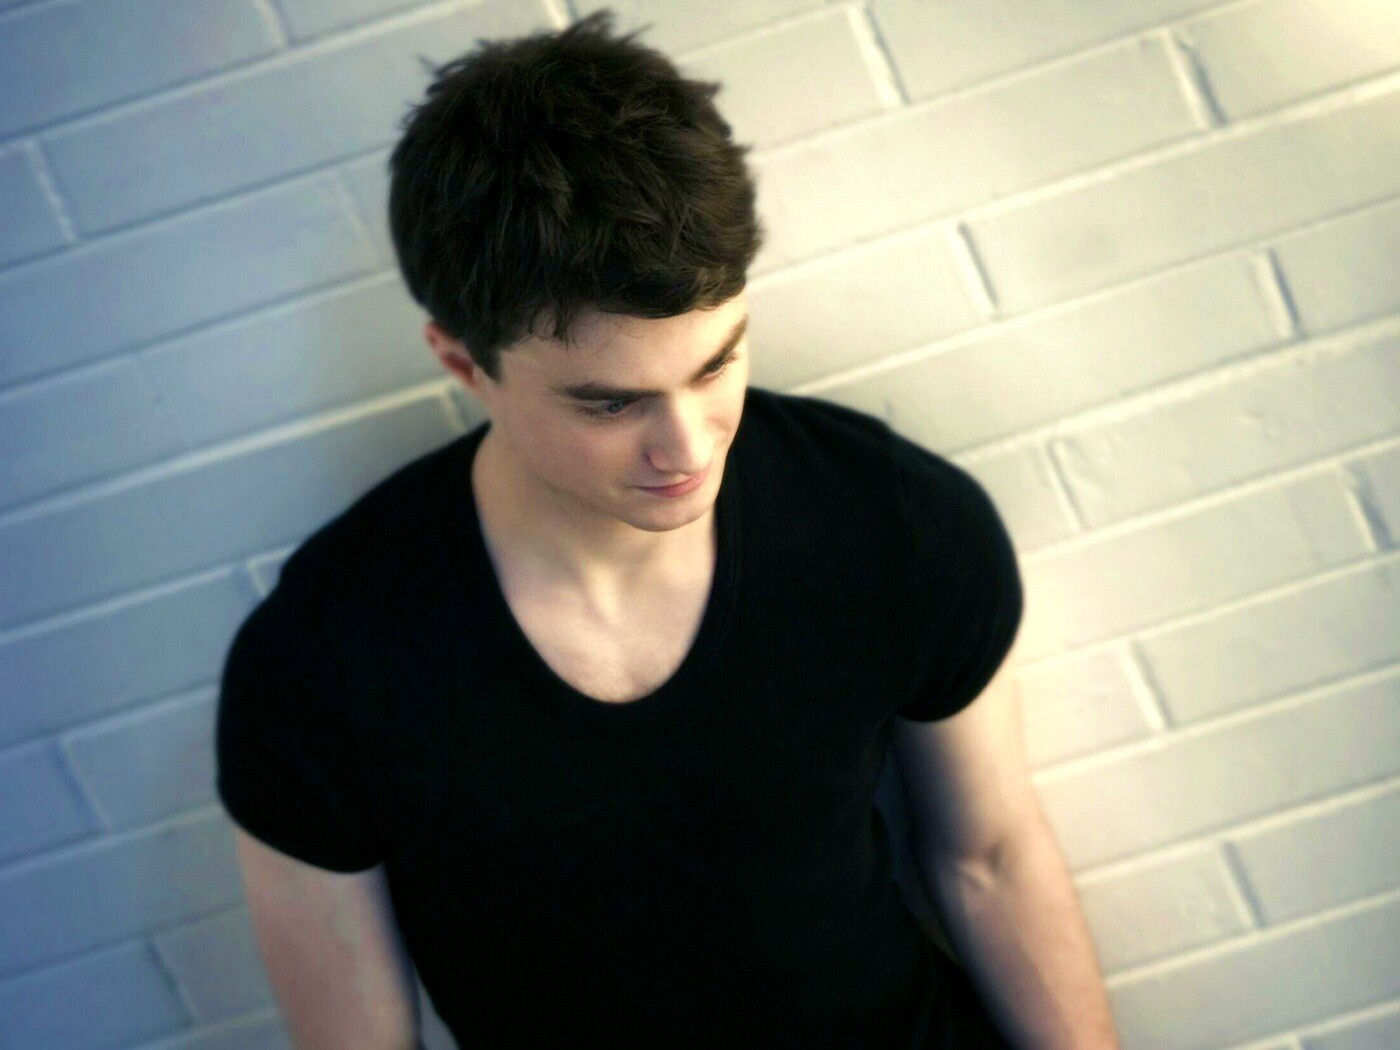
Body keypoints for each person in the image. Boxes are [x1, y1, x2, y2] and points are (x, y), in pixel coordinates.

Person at [215, 10, 1119, 1049]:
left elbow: (991, 860)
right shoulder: (321, 663)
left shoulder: (891, 520)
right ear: (463, 364)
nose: (688, 446)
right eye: (610, 403)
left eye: (715, 362)